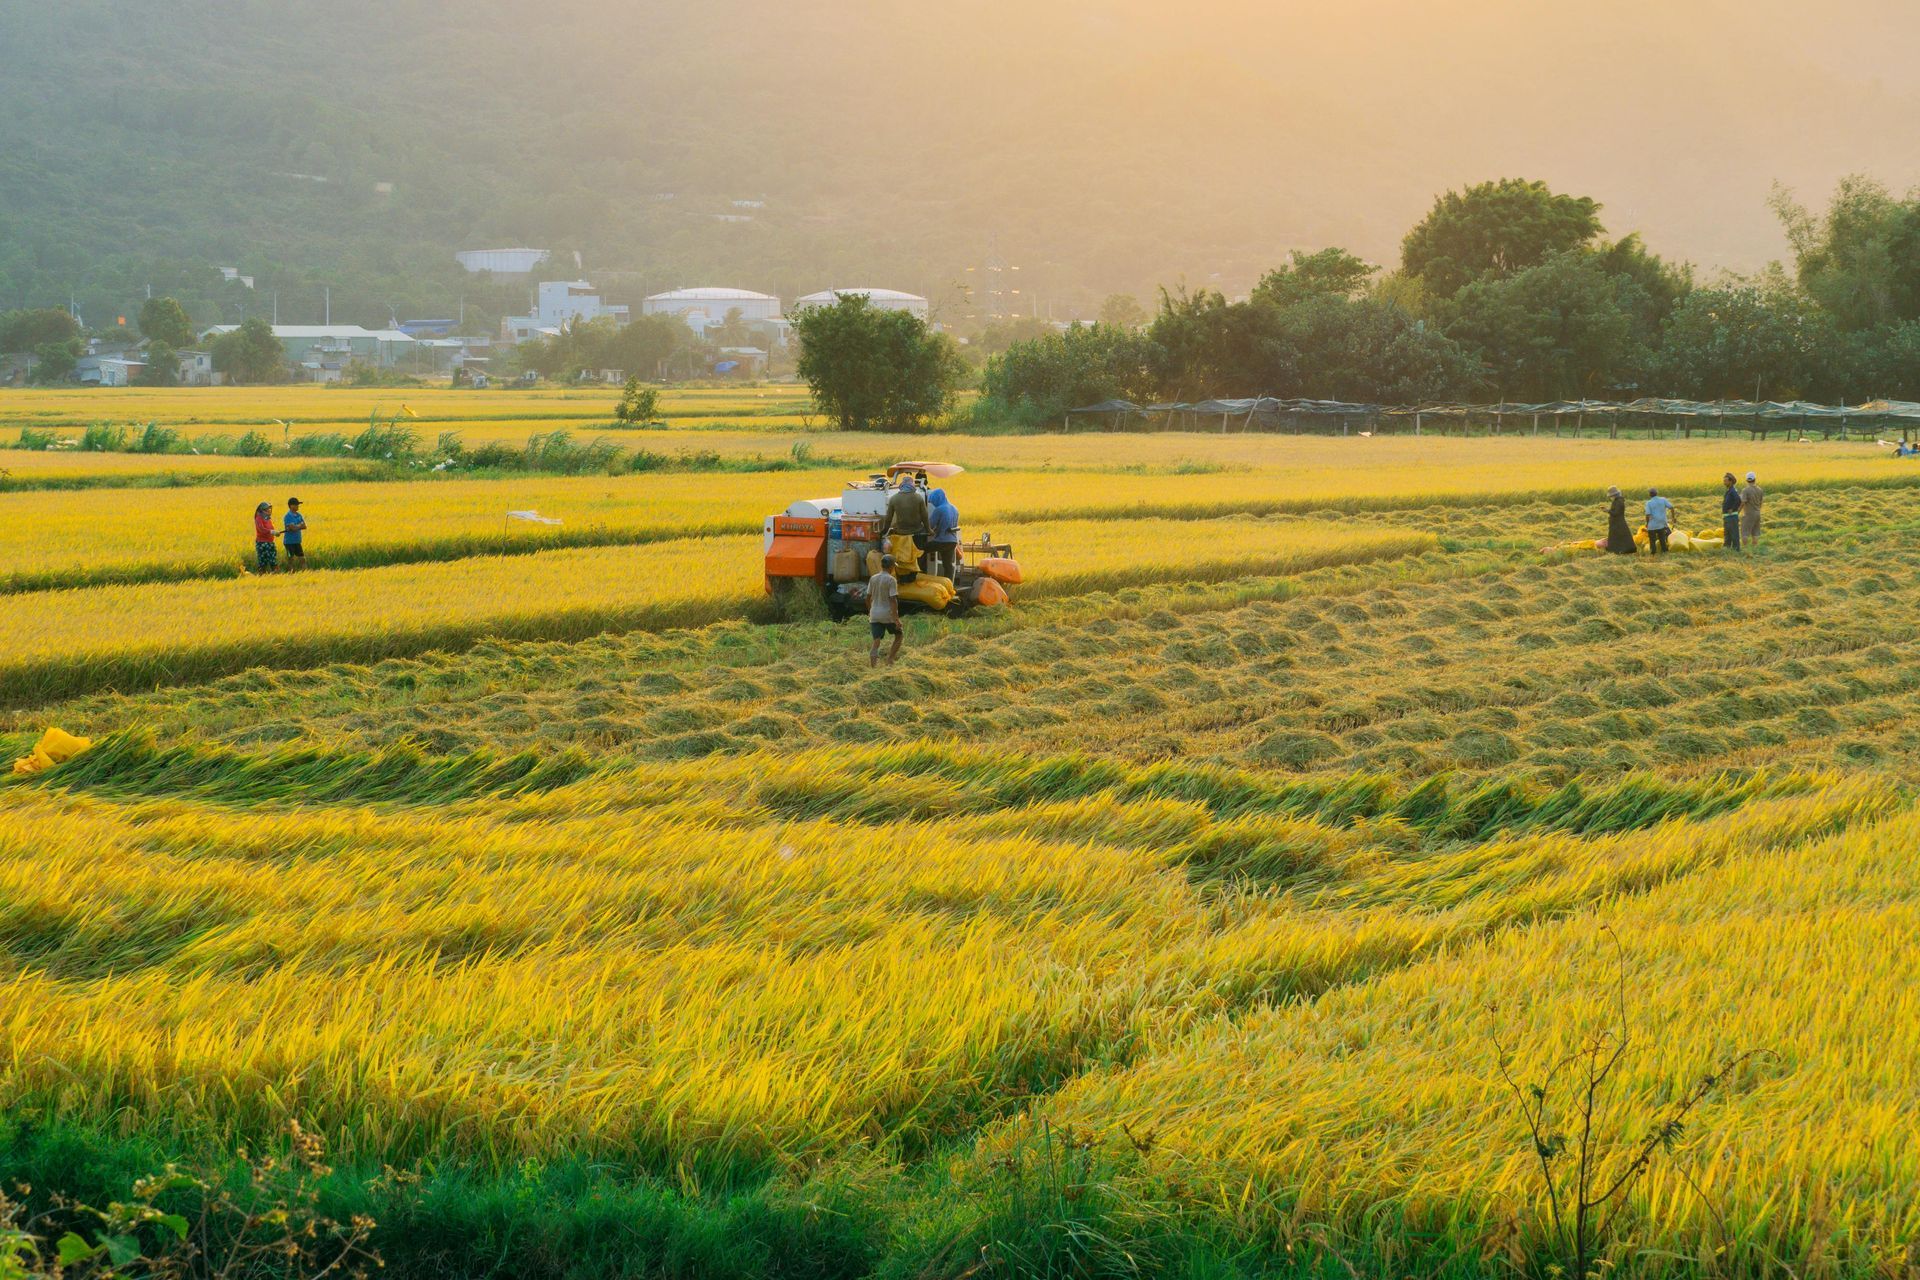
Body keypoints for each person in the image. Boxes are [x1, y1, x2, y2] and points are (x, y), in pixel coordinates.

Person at [877, 474, 930, 573]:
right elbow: (924, 517)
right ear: (912, 485)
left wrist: (884, 531)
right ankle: (920, 574)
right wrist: (929, 530)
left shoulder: (894, 498)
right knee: (919, 556)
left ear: (902, 485)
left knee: (901, 558)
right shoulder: (918, 498)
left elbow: (888, 519)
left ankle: (901, 574)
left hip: (900, 533)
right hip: (917, 533)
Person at [867, 553, 902, 667]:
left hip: (874, 614)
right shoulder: (891, 580)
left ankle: (873, 667)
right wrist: (896, 619)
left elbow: (867, 597)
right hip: (887, 614)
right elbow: (893, 600)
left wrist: (870, 611)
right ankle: (890, 660)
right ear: (891, 567)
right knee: (899, 635)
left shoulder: (873, 578)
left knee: (876, 641)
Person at [925, 487, 960, 580]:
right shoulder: (954, 508)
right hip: (952, 541)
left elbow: (930, 525)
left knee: (920, 550)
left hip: (942, 541)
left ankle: (919, 574)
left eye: (934, 501)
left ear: (937, 499)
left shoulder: (939, 509)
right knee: (948, 565)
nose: (934, 504)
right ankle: (949, 585)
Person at [1604, 486, 1636, 554]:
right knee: (1619, 536)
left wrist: (1607, 511)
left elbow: (1616, 513)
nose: (1610, 497)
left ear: (1614, 495)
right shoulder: (1617, 501)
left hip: (1618, 522)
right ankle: (1617, 549)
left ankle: (1618, 550)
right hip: (1617, 522)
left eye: (1611, 496)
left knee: (1617, 536)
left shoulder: (1619, 502)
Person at [1643, 487, 1674, 555]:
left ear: (1650, 495)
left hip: (1652, 525)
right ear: (1657, 493)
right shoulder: (1663, 500)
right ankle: (1665, 551)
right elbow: (1671, 507)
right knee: (1662, 539)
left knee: (1652, 540)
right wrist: (1673, 518)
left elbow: (1647, 514)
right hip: (1662, 524)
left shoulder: (1649, 503)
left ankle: (1653, 553)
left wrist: (1647, 523)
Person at [281, 496, 307, 570]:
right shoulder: (288, 516)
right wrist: (299, 526)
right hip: (289, 543)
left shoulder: (299, 515)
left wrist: (296, 526)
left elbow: (304, 526)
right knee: (290, 558)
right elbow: (292, 528)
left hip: (297, 541)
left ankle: (305, 572)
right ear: (291, 506)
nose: (298, 506)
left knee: (302, 558)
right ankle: (290, 573)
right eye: (296, 505)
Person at [252, 501, 279, 573]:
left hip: (270, 542)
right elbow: (261, 529)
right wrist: (271, 531)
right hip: (262, 543)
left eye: (269, 509)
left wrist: (275, 533)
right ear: (262, 510)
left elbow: (270, 528)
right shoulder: (258, 518)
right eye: (267, 510)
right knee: (263, 561)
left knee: (273, 559)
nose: (269, 511)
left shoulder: (267, 518)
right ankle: (262, 575)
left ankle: (274, 575)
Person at [1740, 471, 1764, 550]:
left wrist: (1737, 512)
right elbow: (1761, 502)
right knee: (1755, 533)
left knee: (1744, 533)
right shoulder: (1760, 490)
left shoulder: (1745, 490)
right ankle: (1754, 549)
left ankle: (1745, 549)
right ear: (1755, 479)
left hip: (1749, 514)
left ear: (1747, 480)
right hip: (1757, 513)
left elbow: (1743, 502)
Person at [1720, 473, 1742, 551]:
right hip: (1727, 516)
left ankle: (1736, 550)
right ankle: (1727, 548)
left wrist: (1732, 509)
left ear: (1731, 481)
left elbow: (1738, 500)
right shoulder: (1729, 490)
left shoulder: (1733, 491)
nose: (1724, 482)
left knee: (1734, 533)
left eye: (1725, 481)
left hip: (1732, 516)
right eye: (1724, 481)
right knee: (1727, 534)